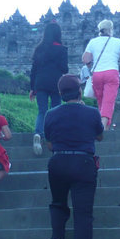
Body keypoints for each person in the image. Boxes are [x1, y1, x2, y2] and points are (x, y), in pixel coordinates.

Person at [43, 74, 105, 239]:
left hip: (58, 161)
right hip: (84, 163)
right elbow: (100, 136)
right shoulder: (92, 112)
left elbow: (50, 143)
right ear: (79, 91)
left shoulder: (51, 114)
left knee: (58, 202)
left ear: (60, 94)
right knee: (83, 213)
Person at [82, 19, 120, 131]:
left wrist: (90, 64)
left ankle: (107, 126)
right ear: (110, 29)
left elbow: (85, 59)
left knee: (101, 101)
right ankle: (103, 127)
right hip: (111, 73)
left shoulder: (93, 42)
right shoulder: (117, 41)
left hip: (97, 75)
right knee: (108, 101)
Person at [29, 21, 69, 156]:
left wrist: (31, 88)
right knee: (56, 110)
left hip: (40, 83)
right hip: (56, 83)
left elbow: (33, 70)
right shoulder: (62, 49)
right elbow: (65, 69)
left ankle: (38, 133)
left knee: (42, 111)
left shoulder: (39, 49)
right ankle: (54, 136)